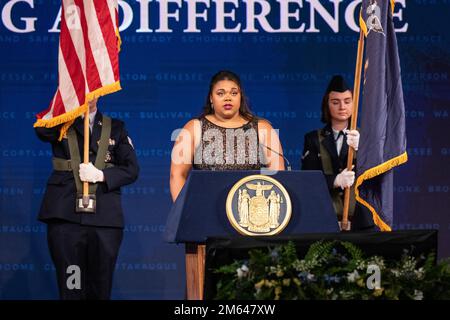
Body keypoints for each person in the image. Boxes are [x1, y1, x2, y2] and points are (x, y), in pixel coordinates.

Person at [35, 97, 139, 299]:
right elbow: (41, 130)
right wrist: (65, 106)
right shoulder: (61, 122)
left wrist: (101, 175)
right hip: (66, 218)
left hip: (104, 220)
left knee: (100, 290)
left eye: (93, 88)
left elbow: (132, 169)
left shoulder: (116, 127)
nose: (88, 94)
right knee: (71, 287)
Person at [170, 70, 285, 201]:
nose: (228, 98)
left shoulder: (262, 128)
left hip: (249, 210)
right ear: (211, 98)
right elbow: (177, 175)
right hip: (204, 208)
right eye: (220, 93)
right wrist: (183, 212)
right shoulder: (193, 128)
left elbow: (278, 176)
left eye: (234, 93)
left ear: (240, 96)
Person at [301, 75, 375, 231]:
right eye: (335, 102)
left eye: (347, 101)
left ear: (354, 104)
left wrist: (363, 150)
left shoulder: (367, 138)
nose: (342, 106)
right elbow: (308, 180)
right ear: (327, 105)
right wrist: (335, 180)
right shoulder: (313, 139)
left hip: (361, 220)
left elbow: (377, 176)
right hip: (326, 218)